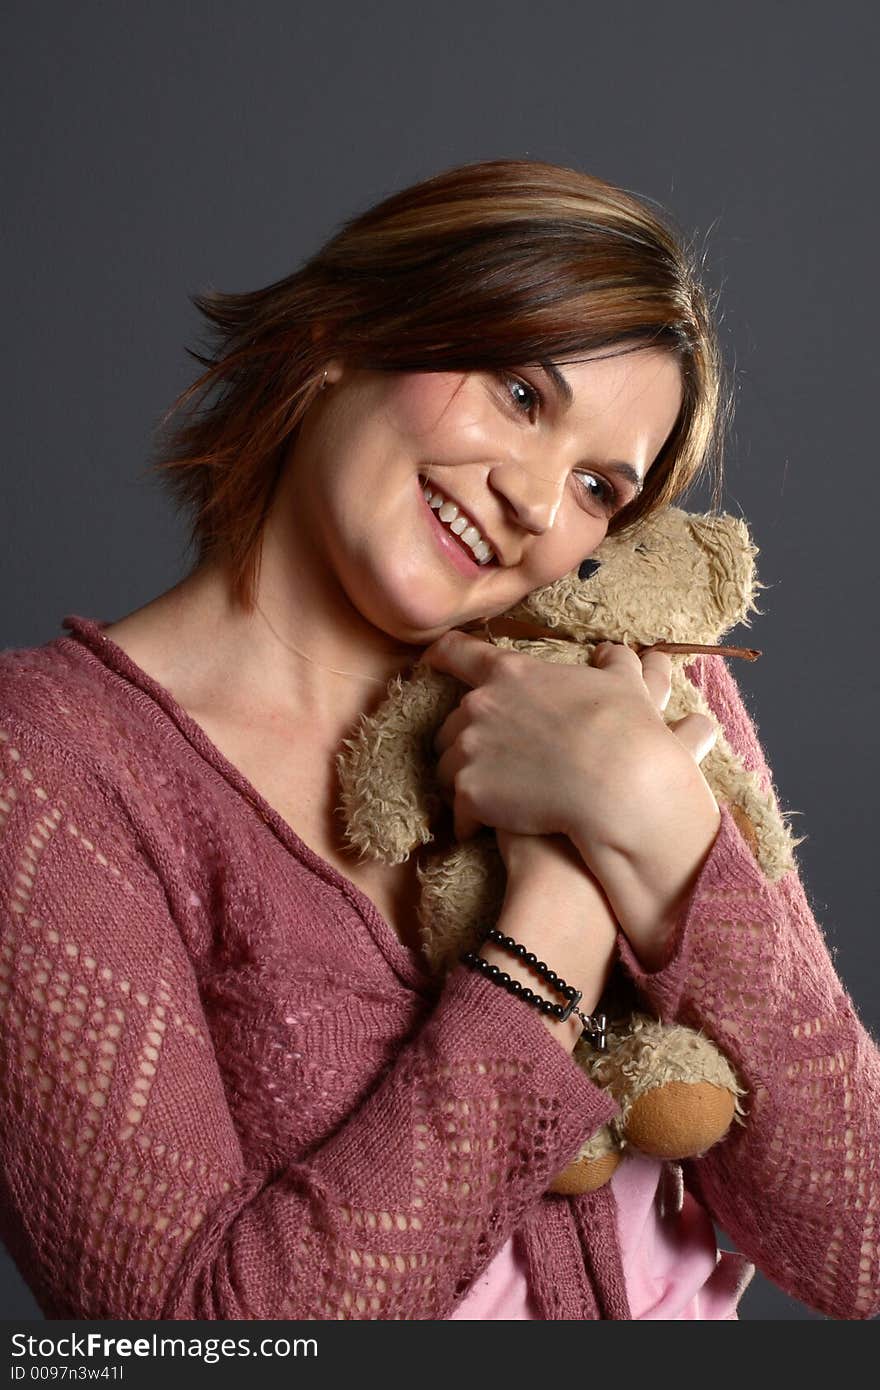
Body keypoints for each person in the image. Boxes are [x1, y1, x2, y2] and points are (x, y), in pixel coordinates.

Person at [0, 158, 877, 1322]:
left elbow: (860, 1242)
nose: (534, 500)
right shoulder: (50, 765)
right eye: (519, 394)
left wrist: (659, 828)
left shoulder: (636, 693)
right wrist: (554, 929)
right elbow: (193, 1336)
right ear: (341, 334)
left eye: (598, 489)